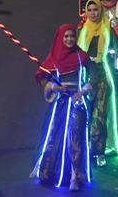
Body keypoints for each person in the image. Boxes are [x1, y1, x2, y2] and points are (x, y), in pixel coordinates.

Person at [78, 0, 118, 168]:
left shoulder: (108, 30)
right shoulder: (82, 31)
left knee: (99, 117)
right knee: (86, 116)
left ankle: (98, 152)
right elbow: (74, 55)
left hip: (103, 78)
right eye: (89, 10)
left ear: (100, 11)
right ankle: (85, 149)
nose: (92, 13)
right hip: (84, 78)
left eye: (95, 10)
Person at [31, 23, 91, 191]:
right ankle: (52, 172)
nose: (69, 39)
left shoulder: (82, 57)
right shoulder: (53, 58)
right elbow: (43, 78)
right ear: (60, 38)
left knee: (75, 140)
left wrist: (83, 90)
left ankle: (75, 175)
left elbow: (94, 77)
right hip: (60, 104)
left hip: (77, 104)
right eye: (66, 36)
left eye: (72, 36)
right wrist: (54, 87)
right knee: (53, 138)